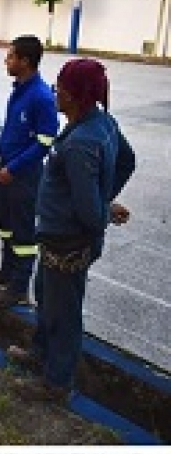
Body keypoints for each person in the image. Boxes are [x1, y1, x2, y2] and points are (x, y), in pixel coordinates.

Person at [9, 58, 135, 403]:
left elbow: (91, 216)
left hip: (68, 244)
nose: (55, 93)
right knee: (47, 298)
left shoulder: (80, 143)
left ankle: (56, 383)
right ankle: (40, 354)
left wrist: (104, 207)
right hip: (55, 240)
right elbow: (128, 159)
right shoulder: (101, 122)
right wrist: (105, 195)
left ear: (75, 94)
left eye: (60, 87)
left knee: (62, 314)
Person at [0, 35, 58, 307]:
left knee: (24, 233)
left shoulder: (41, 96)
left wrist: (15, 167)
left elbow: (46, 141)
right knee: (6, 225)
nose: (6, 60)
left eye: (11, 56)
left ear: (25, 61)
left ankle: (20, 288)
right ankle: (7, 271)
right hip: (6, 170)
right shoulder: (20, 89)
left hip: (22, 176)